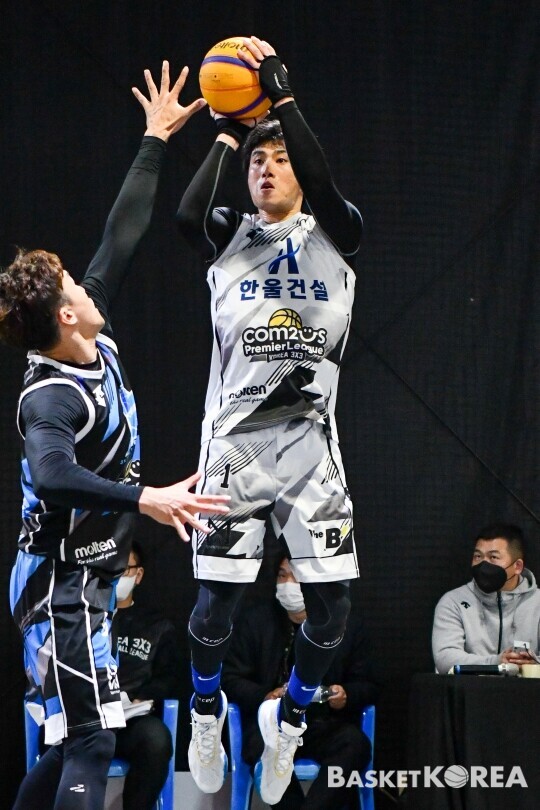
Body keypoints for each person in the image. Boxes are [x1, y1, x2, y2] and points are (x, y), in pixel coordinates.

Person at [3, 62, 230, 810]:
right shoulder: (50, 397)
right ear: (65, 315)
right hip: (57, 588)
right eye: (73, 284)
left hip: (91, 582)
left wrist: (154, 140)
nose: (86, 281)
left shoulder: (87, 337)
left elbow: (121, 234)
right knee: (92, 742)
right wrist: (147, 497)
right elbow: (54, 473)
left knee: (83, 739)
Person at [176, 36, 363, 804]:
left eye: (279, 160)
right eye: (258, 161)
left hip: (312, 443)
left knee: (333, 606)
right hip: (237, 446)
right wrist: (229, 130)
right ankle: (206, 708)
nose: (267, 169)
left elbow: (322, 180)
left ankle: (289, 718)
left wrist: (282, 101)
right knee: (213, 605)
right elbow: (188, 213)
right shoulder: (230, 233)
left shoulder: (337, 231)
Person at [222, 557, 378, 810]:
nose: (287, 584)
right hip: (272, 726)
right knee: (257, 746)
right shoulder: (255, 621)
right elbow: (230, 679)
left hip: (323, 724)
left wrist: (346, 695)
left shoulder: (346, 625)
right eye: (282, 575)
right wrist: (265, 695)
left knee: (355, 745)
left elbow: (370, 685)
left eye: (296, 576)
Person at [113, 540, 180, 810]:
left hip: (132, 719)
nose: (115, 576)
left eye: (123, 569)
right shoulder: (84, 619)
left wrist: (142, 697)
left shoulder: (157, 626)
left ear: (138, 574)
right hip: (89, 719)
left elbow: (169, 677)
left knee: (156, 740)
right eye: (109, 567)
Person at [432, 523, 540, 675]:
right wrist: (497, 662)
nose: (483, 564)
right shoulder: (453, 601)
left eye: (493, 557)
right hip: (469, 689)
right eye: (478, 556)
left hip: (526, 690)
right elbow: (445, 659)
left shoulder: (537, 601)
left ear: (517, 566)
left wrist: (532, 663)